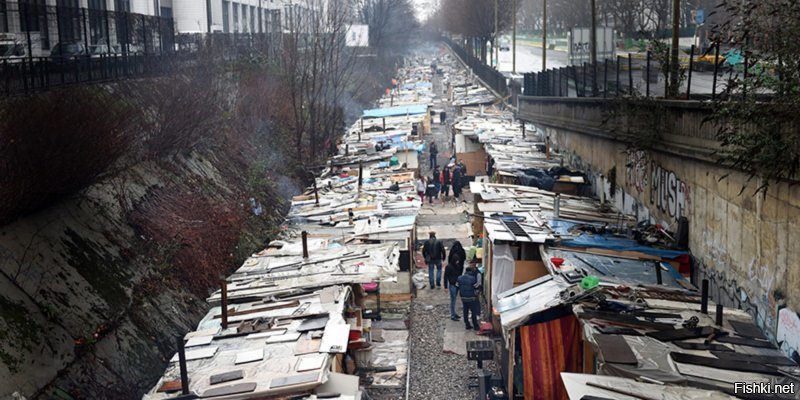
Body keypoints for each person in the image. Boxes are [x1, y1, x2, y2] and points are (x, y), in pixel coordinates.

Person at [444, 241, 466, 321]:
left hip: (454, 283)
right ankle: (453, 314)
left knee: (454, 299)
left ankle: (454, 313)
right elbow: (464, 257)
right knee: (453, 299)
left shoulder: (450, 264)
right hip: (454, 283)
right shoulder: (458, 265)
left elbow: (446, 276)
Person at [456, 266, 481, 330]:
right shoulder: (472, 278)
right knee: (473, 312)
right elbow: (476, 286)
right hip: (471, 297)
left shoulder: (459, 278)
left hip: (463, 297)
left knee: (465, 311)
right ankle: (475, 325)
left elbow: (457, 285)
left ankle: (467, 324)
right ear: (471, 271)